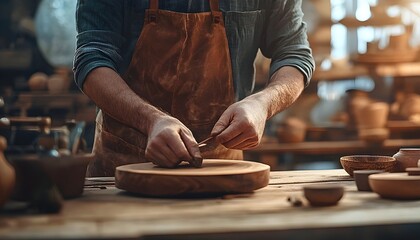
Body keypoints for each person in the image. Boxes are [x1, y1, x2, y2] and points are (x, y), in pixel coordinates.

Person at [73, 0, 314, 176]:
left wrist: (261, 104)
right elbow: (92, 60)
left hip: (221, 169)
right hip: (124, 168)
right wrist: (150, 120)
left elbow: (294, 55)